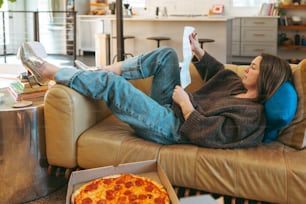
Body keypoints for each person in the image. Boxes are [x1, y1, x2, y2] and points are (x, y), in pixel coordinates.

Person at [18, 33, 293, 149]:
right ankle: (100, 70)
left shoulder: (252, 116)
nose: (247, 69)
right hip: (171, 109)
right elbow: (218, 71)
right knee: (166, 55)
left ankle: (47, 71)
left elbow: (214, 136)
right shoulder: (236, 84)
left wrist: (187, 106)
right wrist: (199, 52)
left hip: (174, 128)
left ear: (265, 77)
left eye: (254, 68)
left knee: (116, 88)